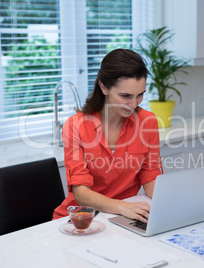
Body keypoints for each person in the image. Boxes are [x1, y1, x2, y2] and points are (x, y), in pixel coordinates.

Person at [53, 49, 162, 223]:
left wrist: (171, 204)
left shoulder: (147, 122)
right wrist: (122, 207)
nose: (134, 104)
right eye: (125, 96)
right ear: (103, 87)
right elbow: (81, 193)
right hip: (80, 218)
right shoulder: (75, 126)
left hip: (123, 216)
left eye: (140, 95)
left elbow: (150, 175)